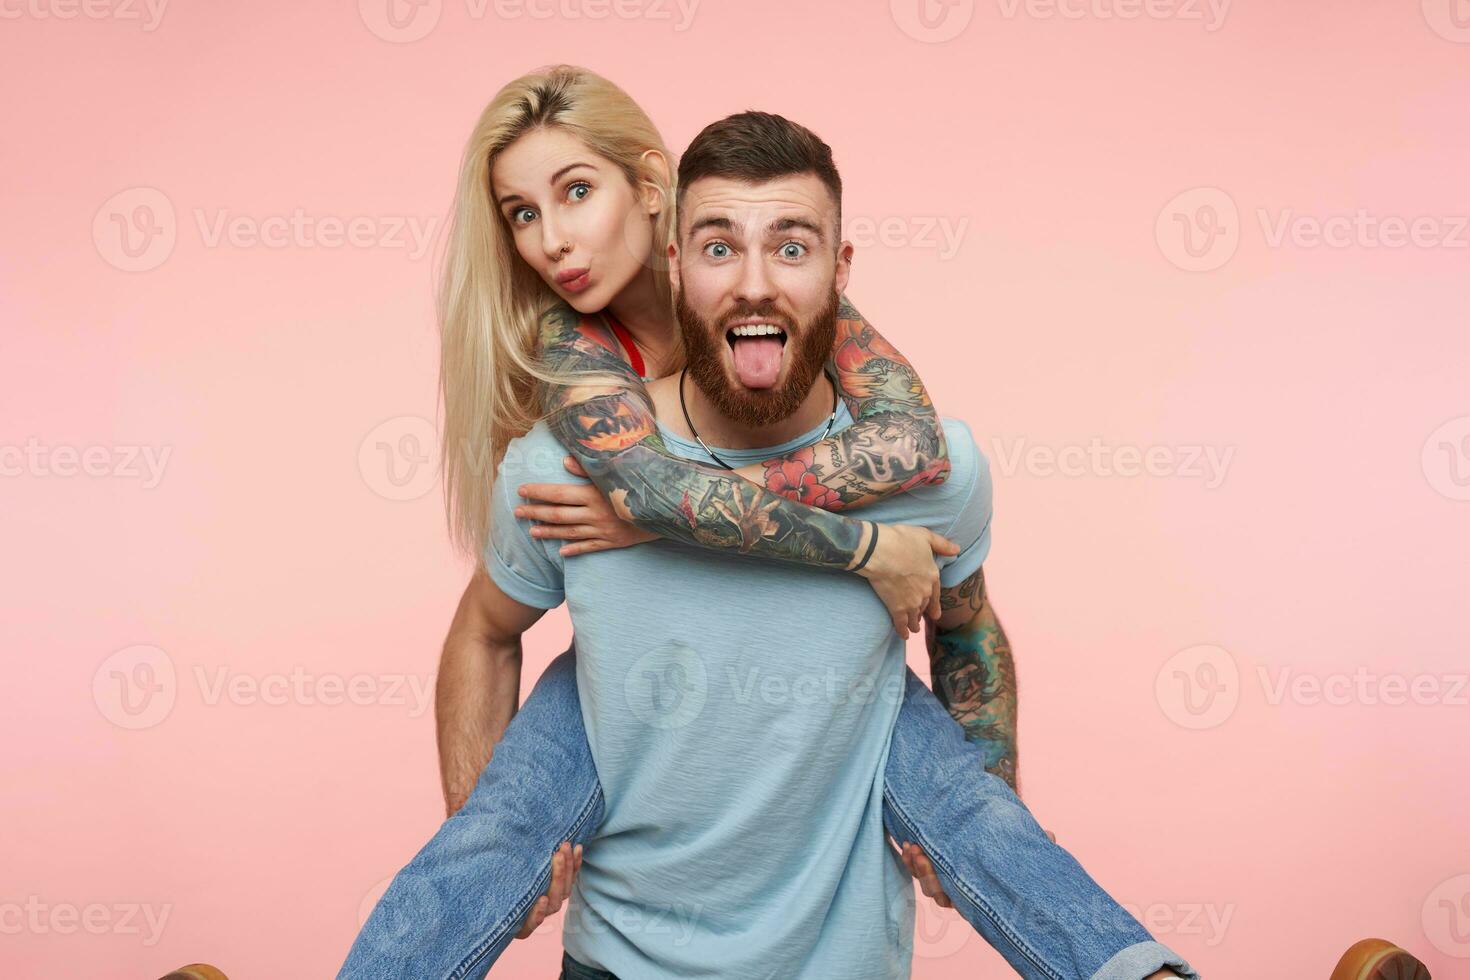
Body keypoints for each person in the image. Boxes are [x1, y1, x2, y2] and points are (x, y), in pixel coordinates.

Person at [337, 70, 1199, 980]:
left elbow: (920, 483)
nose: (555, 242)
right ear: (681, 255)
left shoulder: (921, 442)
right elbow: (596, 538)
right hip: (622, 884)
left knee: (970, 803)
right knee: (532, 768)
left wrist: (989, 811)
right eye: (522, 213)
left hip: (847, 892)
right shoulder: (572, 427)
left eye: (577, 192)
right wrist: (773, 531)